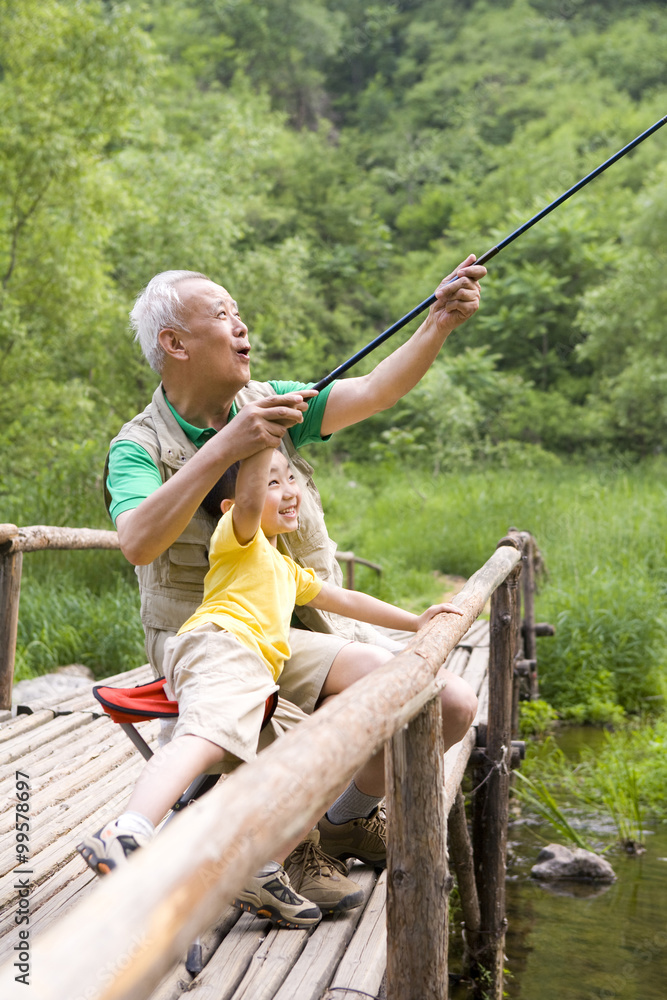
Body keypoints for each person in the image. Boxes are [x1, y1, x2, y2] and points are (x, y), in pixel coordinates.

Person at [98, 258, 485, 902]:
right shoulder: (137, 447)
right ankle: (278, 846)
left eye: (239, 312)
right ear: (175, 343)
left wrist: (437, 322)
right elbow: (137, 541)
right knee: (360, 699)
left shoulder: (271, 402)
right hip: (206, 638)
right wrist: (226, 448)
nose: (242, 326)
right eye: (222, 314)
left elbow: (375, 391)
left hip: (299, 627)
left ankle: (339, 822)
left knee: (449, 703)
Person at [78, 444, 464, 928]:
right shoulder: (238, 539)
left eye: (292, 479)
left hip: (258, 674)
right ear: (234, 506)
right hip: (219, 645)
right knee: (206, 735)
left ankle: (260, 865)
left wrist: (415, 621)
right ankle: (127, 827)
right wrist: (261, 437)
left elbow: (344, 598)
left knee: (318, 756)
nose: (288, 492)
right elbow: (247, 495)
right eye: (272, 482)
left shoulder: (284, 567)